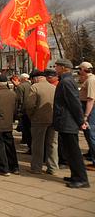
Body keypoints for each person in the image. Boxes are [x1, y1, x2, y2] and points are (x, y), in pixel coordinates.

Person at [53, 59, 90, 188]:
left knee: (73, 152)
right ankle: (75, 175)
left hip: (68, 122)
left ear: (64, 68)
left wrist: (81, 121)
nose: (55, 68)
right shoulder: (65, 80)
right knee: (69, 151)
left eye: (57, 66)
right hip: (65, 121)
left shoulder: (66, 82)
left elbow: (74, 103)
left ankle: (82, 178)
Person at [25, 70, 58, 174]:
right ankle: (53, 168)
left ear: (35, 78)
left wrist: (31, 116)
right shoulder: (54, 87)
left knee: (37, 145)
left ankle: (36, 168)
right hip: (53, 119)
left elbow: (30, 105)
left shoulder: (34, 87)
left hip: (38, 120)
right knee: (52, 144)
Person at [77, 61, 95, 170]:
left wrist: (86, 115)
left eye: (80, 69)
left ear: (84, 69)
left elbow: (90, 99)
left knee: (91, 134)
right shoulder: (88, 79)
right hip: (88, 108)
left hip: (90, 109)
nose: (78, 72)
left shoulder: (91, 80)